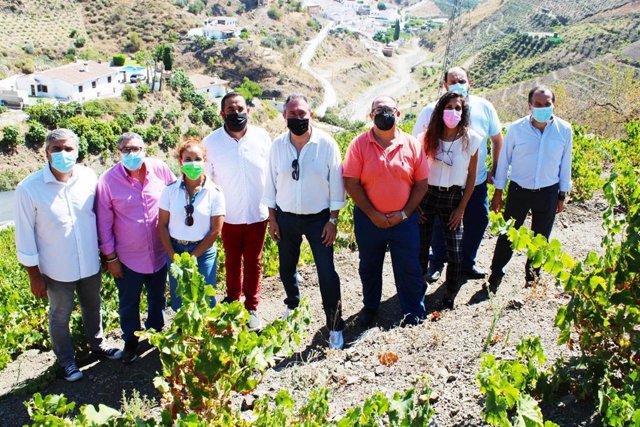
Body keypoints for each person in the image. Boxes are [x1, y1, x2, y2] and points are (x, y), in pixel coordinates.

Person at [14, 129, 121, 382]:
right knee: (59, 315)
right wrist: (34, 275)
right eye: (56, 149)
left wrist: (107, 254)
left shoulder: (88, 177)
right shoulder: (29, 188)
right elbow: (25, 235)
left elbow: (99, 217)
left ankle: (98, 344)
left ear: (77, 151)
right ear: (46, 153)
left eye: (68, 149)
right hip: (56, 268)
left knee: (93, 306)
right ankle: (67, 362)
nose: (63, 154)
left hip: (89, 262)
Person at [263, 94, 346, 349]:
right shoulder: (278, 145)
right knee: (287, 268)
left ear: (311, 114)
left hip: (319, 220)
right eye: (292, 114)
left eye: (302, 114)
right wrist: (273, 219)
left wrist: (333, 220)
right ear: (284, 116)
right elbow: (270, 183)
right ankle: (292, 304)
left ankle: (334, 325)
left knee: (326, 273)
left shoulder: (327, 144)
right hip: (286, 218)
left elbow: (337, 185)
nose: (297, 118)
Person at [343, 95, 429, 327]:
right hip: (369, 221)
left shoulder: (412, 144)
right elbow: (351, 182)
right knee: (369, 267)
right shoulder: (359, 145)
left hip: (404, 220)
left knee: (409, 267)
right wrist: (373, 214)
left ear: (398, 113)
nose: (384, 113)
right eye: (378, 110)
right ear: (371, 116)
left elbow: (421, 183)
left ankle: (413, 312)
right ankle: (371, 307)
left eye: (388, 109)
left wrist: (404, 213)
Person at [413, 66, 503, 282]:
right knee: (438, 226)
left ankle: (467, 262)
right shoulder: (430, 110)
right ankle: (437, 263)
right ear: (445, 85)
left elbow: (497, 140)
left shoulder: (485, 107)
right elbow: (415, 146)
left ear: (469, 81)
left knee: (478, 220)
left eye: (461, 80)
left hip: (476, 180)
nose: (457, 84)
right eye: (452, 81)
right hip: (438, 184)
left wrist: (495, 169)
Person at [96, 132, 175, 364]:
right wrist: (110, 258)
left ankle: (155, 333)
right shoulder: (108, 181)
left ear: (145, 149)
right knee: (129, 301)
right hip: (128, 258)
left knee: (157, 298)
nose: (132, 154)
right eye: (126, 150)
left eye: (136, 149)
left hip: (160, 253)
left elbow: (175, 196)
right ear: (118, 153)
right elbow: (104, 222)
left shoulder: (159, 169)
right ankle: (130, 340)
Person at [488, 85, 572, 291]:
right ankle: (496, 273)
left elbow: (565, 164)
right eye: (538, 104)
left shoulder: (564, 130)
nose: (543, 108)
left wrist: (562, 195)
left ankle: (532, 276)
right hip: (519, 191)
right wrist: (498, 192)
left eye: (547, 104)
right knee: (508, 234)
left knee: (541, 237)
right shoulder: (517, 129)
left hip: (548, 192)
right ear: (530, 106)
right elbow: (505, 161)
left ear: (554, 105)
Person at [203, 92, 272, 331]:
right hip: (228, 215)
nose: (236, 113)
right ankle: (233, 301)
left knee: (254, 262)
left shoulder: (262, 138)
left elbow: (271, 174)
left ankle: (251, 307)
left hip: (257, 212)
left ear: (248, 111)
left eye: (240, 108)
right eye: (230, 110)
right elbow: (206, 182)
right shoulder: (210, 143)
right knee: (232, 261)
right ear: (222, 114)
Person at [418, 92, 481, 309]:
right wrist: (416, 203)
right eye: (449, 106)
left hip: (453, 196)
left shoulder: (471, 139)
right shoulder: (427, 136)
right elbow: (416, 171)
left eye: (458, 108)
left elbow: (472, 175)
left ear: (463, 113)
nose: (453, 112)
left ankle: (450, 292)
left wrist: (461, 208)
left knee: (455, 251)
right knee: (421, 246)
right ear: (440, 110)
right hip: (427, 194)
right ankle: (418, 289)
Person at [158, 137, 225, 310]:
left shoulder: (215, 192)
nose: (193, 163)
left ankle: (204, 336)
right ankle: (184, 336)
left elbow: (215, 231)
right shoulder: (170, 191)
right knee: (180, 301)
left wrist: (193, 256)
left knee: (204, 301)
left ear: (204, 161)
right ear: (180, 162)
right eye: (188, 159)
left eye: (197, 159)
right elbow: (162, 225)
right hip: (176, 250)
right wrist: (173, 255)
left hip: (203, 253)